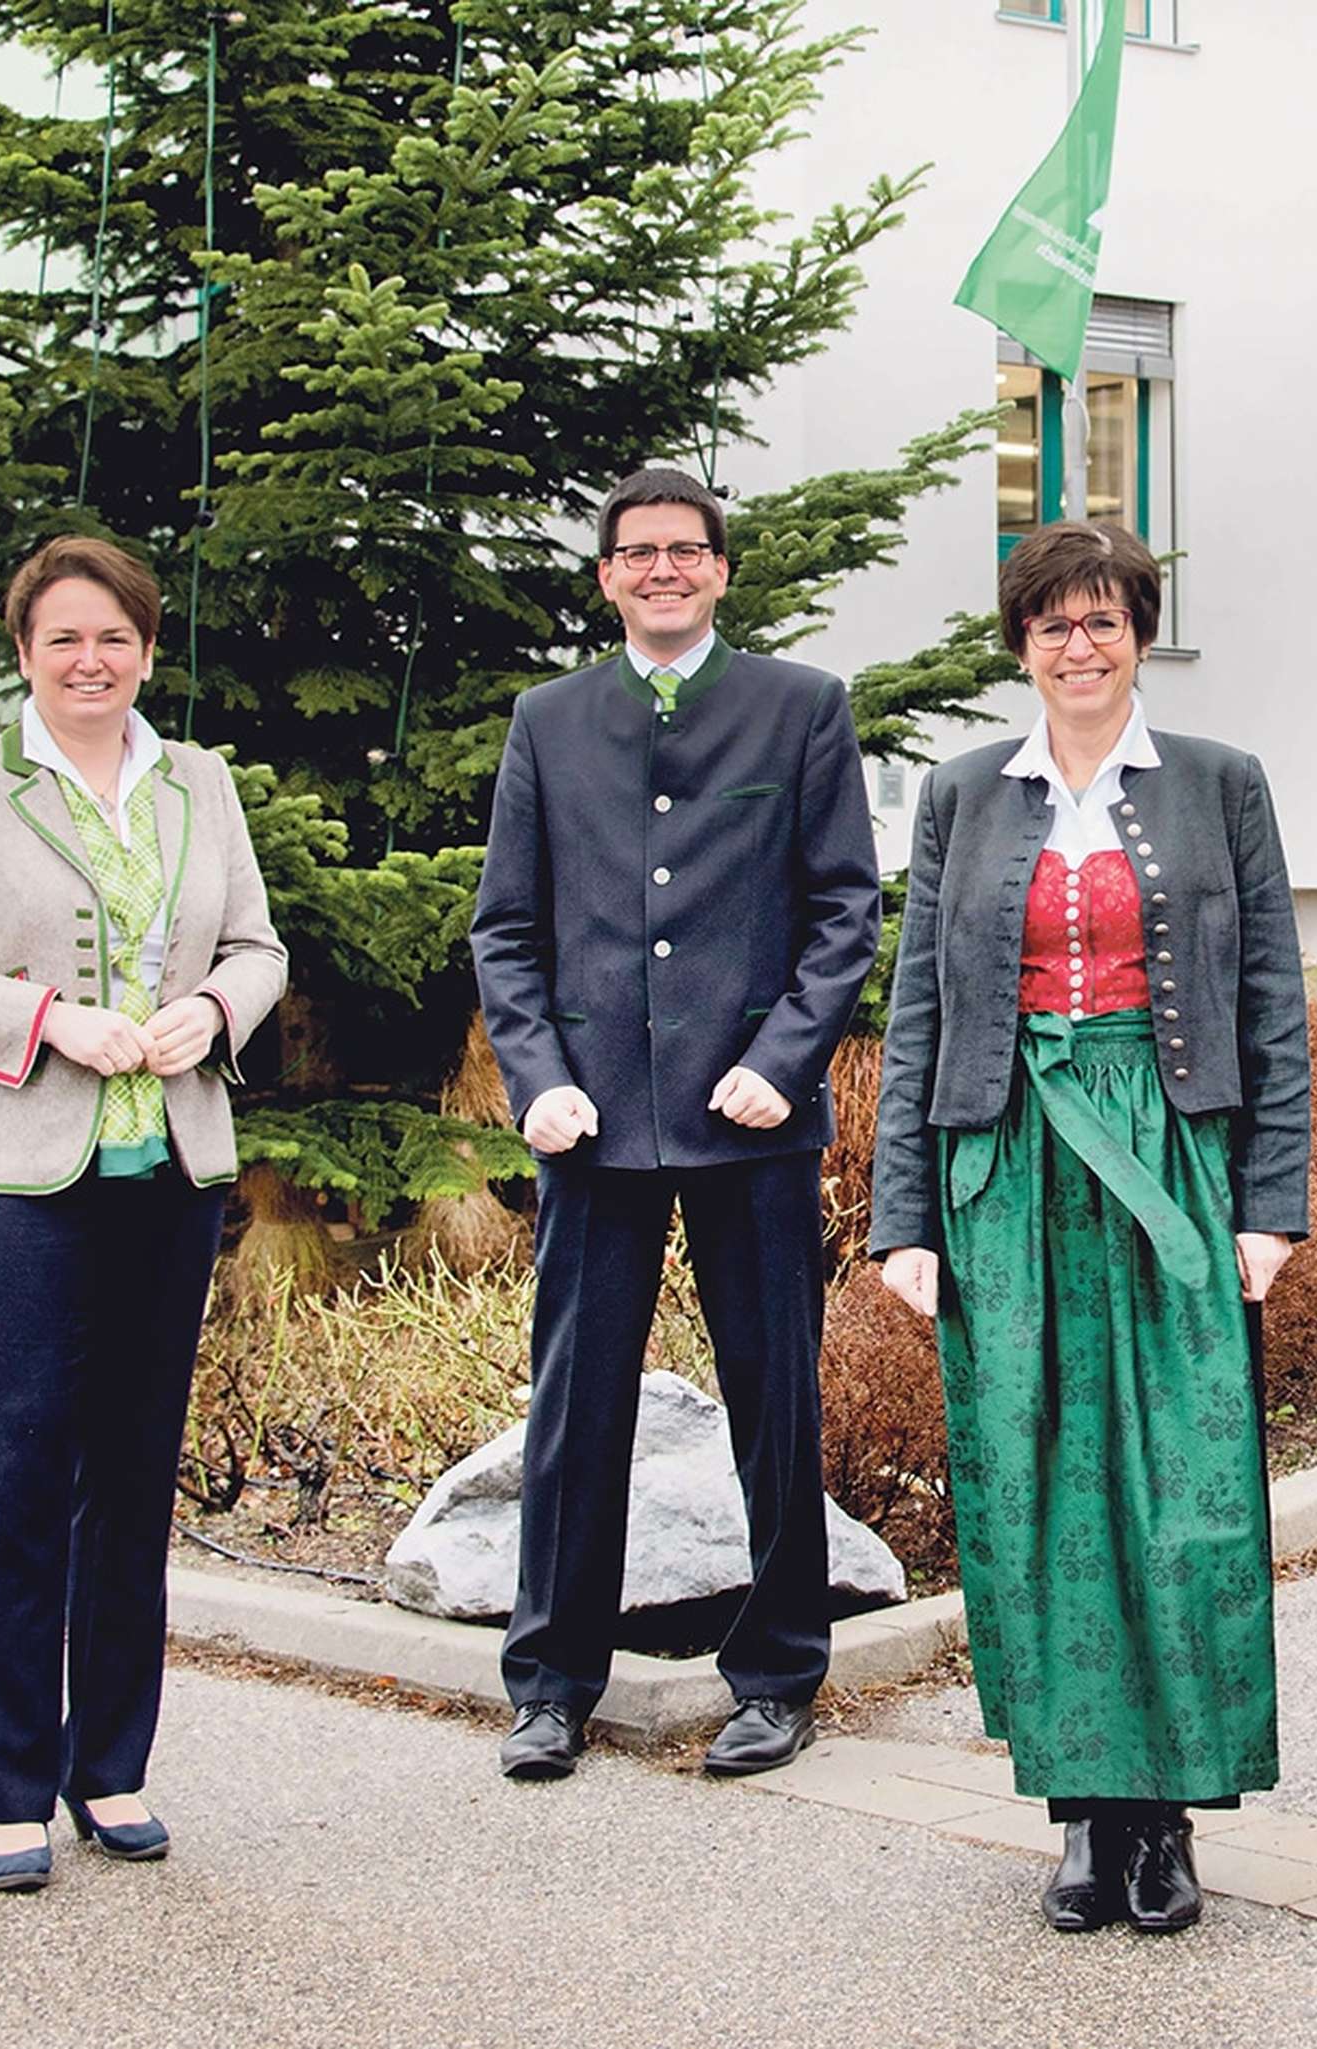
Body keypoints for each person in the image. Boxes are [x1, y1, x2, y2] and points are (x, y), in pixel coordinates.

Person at [871, 519, 1310, 1936]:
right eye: (1054, 623)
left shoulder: (1220, 786)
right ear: (1023, 643)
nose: (1080, 645)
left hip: (1169, 1160)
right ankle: (1078, 1812)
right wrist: (905, 1213)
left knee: (1180, 1493)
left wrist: (1271, 1200)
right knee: (1037, 1486)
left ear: (1139, 634)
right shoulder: (960, 796)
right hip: (1006, 1167)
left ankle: (1169, 1812)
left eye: (1105, 619)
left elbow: (1272, 1001)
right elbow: (921, 1012)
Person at [0, 536, 285, 1890]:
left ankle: (111, 1762)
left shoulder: (197, 782)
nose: (90, 660)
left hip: (167, 1179)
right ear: (24, 653)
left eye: (115, 637)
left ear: (148, 650)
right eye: (63, 639)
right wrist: (47, 1020)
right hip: (6, 1187)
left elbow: (258, 948)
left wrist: (212, 1011)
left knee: (132, 1477)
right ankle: (9, 1782)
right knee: (22, 1474)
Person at [471, 466, 880, 1784]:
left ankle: (778, 1673)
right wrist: (535, 1079)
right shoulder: (549, 720)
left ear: (719, 569)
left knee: (775, 1401)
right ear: (605, 577)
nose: (661, 570)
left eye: (684, 550)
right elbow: (508, 928)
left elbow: (842, 910)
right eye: (636, 552)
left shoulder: (800, 708)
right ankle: (549, 1679)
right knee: (575, 1406)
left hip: (748, 1118)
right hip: (589, 1127)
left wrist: (784, 1057)